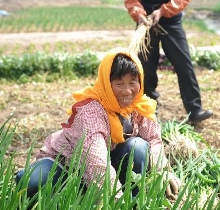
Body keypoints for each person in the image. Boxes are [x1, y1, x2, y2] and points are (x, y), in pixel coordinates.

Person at [15, 47, 181, 201]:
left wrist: (162, 170)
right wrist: (115, 202)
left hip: (108, 162)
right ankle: (78, 192)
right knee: (33, 182)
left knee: (138, 146)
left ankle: (134, 202)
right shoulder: (91, 111)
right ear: (106, 84)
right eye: (119, 84)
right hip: (66, 165)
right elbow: (96, 163)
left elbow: (153, 139)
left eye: (132, 82)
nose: (127, 91)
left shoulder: (139, 106)